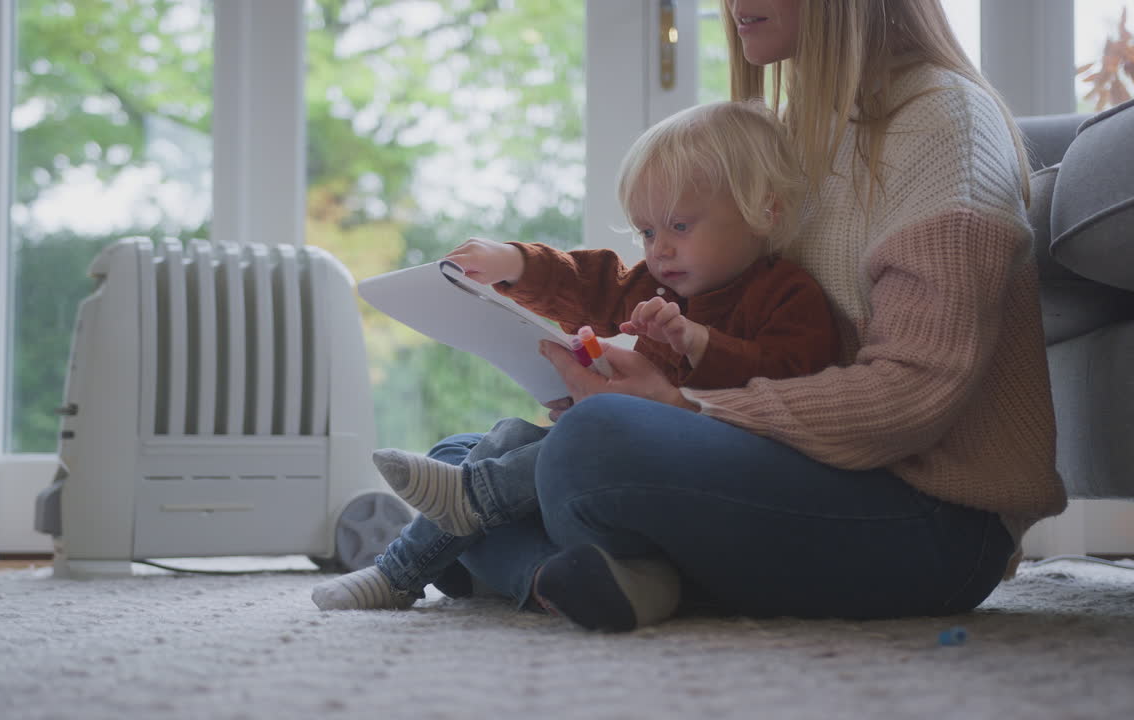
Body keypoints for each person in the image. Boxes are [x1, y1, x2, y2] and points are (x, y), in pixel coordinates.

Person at [312, 100, 840, 614]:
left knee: (508, 472)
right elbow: (594, 282)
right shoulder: (661, 286)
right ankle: (566, 572)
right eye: (648, 232)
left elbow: (795, 380)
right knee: (475, 446)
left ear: (763, 211)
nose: (660, 250)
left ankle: (416, 560)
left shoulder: (789, 294)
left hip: (696, 488)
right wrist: (512, 262)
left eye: (680, 226)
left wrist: (700, 346)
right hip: (617, 492)